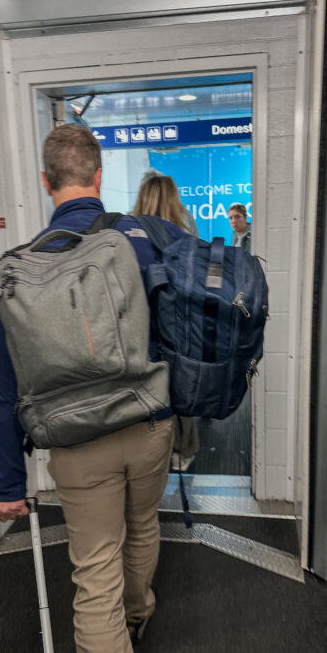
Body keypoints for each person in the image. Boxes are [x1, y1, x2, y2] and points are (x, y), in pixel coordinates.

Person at [0, 124, 184, 653]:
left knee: (93, 569)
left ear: (48, 184)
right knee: (143, 525)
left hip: (75, 444)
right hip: (148, 423)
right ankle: (138, 613)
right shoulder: (145, 240)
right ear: (98, 175)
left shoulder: (21, 270)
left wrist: (8, 481)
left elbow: (0, 383)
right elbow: (183, 327)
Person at [133, 170, 200, 470]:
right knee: (180, 392)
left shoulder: (124, 236)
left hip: (137, 334)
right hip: (179, 332)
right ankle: (183, 452)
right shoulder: (185, 237)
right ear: (174, 199)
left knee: (142, 396)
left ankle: (149, 455)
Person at [133, 168, 199, 236]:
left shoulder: (130, 220)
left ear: (143, 193)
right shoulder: (184, 216)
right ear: (172, 194)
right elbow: (196, 244)